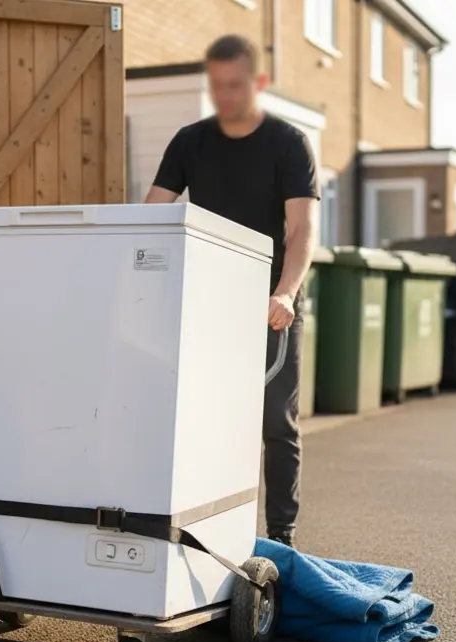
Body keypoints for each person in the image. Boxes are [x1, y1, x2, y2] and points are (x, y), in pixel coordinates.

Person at [144, 34, 319, 548]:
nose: (224, 96)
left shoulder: (288, 143)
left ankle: (281, 537)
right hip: (207, 304)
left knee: (274, 422)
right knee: (203, 417)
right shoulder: (189, 141)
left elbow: (302, 231)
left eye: (235, 86)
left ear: (258, 83)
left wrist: (286, 293)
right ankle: (205, 528)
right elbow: (153, 214)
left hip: (272, 306)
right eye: (216, 86)